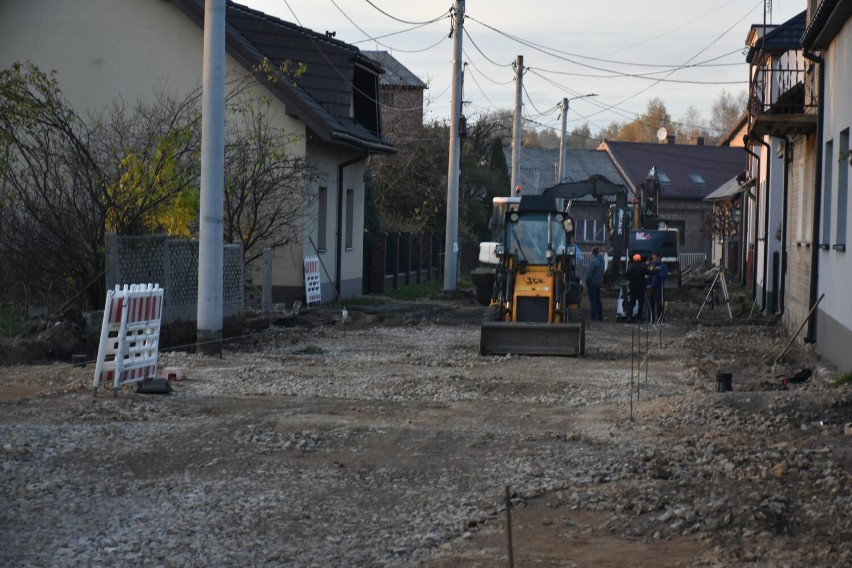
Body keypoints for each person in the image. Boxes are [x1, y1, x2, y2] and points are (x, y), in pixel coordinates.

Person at [626, 253, 650, 322]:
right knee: (640, 304)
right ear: (640, 260)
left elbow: (627, 276)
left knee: (631, 304)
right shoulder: (642, 267)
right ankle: (639, 318)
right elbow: (649, 272)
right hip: (641, 288)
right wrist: (657, 270)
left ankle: (629, 317)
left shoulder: (630, 268)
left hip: (632, 288)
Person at [647, 252, 669, 322]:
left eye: (654, 257)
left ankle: (660, 318)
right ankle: (651, 318)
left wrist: (655, 273)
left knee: (659, 303)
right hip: (650, 287)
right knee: (650, 303)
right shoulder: (651, 265)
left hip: (659, 287)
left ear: (658, 257)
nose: (653, 258)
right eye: (653, 257)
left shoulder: (663, 266)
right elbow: (648, 273)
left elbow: (663, 276)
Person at [585, 247, 605, 321]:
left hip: (592, 283)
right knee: (598, 300)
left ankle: (593, 318)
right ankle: (600, 317)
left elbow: (589, 274)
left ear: (593, 253)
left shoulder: (593, 262)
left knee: (593, 301)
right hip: (599, 283)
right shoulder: (602, 261)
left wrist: (586, 282)